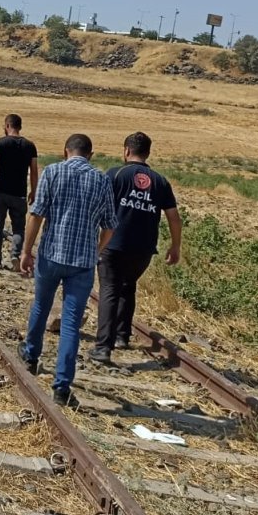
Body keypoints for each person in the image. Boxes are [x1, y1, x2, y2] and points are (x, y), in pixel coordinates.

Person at [18, 134, 117, 406]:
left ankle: (30, 356)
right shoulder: (101, 180)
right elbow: (110, 225)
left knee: (41, 305)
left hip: (51, 254)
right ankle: (62, 387)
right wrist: (96, 250)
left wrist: (26, 250)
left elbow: (36, 214)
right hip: (82, 263)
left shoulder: (52, 172)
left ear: (65, 151)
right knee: (71, 323)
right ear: (91, 155)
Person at [88, 132, 182, 364]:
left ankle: (103, 347)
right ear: (148, 153)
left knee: (109, 290)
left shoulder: (115, 174)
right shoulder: (160, 181)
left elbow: (97, 206)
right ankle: (122, 336)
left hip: (114, 244)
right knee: (128, 287)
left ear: (127, 150)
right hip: (143, 250)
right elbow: (174, 217)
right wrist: (175, 246)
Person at [0, 114, 39, 269]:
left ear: (7, 126)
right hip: (20, 193)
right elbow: (34, 171)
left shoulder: (0, 143)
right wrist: (34, 191)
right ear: (20, 126)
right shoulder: (30, 146)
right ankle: (15, 256)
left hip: (0, 191)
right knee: (18, 227)